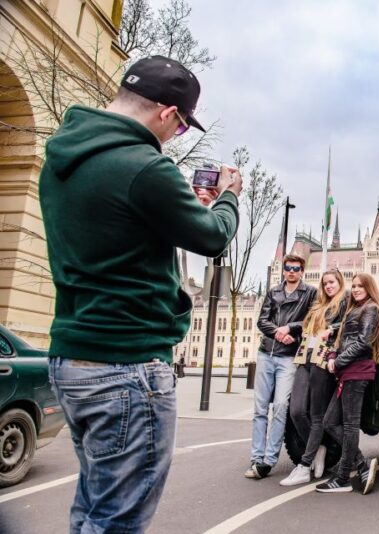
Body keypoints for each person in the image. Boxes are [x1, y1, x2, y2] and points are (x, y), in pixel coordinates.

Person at [40, 55, 241, 532]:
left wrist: (182, 206)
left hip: (72, 356)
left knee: (93, 506)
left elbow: (117, 231)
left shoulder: (62, 158)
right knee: (117, 519)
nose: (177, 135)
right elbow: (213, 237)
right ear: (168, 112)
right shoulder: (146, 167)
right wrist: (229, 197)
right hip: (127, 363)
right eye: (182, 125)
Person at [316, 273, 379, 495]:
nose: (356, 289)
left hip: (357, 371)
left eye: (360, 286)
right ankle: (362, 464)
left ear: (369, 288)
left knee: (349, 425)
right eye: (354, 285)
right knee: (330, 422)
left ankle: (342, 478)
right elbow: (342, 339)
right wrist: (332, 356)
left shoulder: (371, 309)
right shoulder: (353, 309)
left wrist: (337, 361)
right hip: (347, 371)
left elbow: (363, 343)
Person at [248, 254, 317, 479]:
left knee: (279, 407)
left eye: (296, 268)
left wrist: (290, 328)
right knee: (260, 409)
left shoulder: (310, 293)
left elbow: (311, 320)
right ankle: (256, 458)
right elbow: (262, 320)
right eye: (288, 268)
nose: (291, 272)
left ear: (302, 271)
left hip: (288, 357)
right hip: (266, 353)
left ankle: (269, 461)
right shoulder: (273, 292)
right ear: (283, 270)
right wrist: (279, 333)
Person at [280, 270, 348, 486]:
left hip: (323, 358)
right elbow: (305, 325)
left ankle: (304, 465)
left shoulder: (344, 302)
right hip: (305, 357)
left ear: (340, 283)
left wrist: (331, 329)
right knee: (296, 411)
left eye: (332, 282)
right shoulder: (318, 305)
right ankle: (318, 448)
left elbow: (348, 323)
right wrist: (294, 328)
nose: (328, 286)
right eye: (325, 283)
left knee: (317, 415)